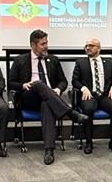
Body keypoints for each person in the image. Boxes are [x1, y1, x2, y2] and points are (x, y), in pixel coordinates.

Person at [8, 29, 90, 165]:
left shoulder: (53, 60)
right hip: (29, 98)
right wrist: (23, 85)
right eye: (43, 44)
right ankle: (71, 113)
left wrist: (58, 89)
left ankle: (49, 150)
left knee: (47, 105)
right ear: (33, 45)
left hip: (49, 98)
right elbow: (10, 83)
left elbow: (63, 81)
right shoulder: (20, 60)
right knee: (38, 84)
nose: (46, 46)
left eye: (46, 43)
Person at [72, 37, 112, 155]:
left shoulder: (109, 62)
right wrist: (83, 88)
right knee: (88, 109)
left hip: (104, 95)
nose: (87, 48)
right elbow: (74, 81)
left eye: (91, 45)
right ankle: (89, 142)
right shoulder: (80, 62)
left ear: (99, 48)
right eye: (86, 46)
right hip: (89, 94)